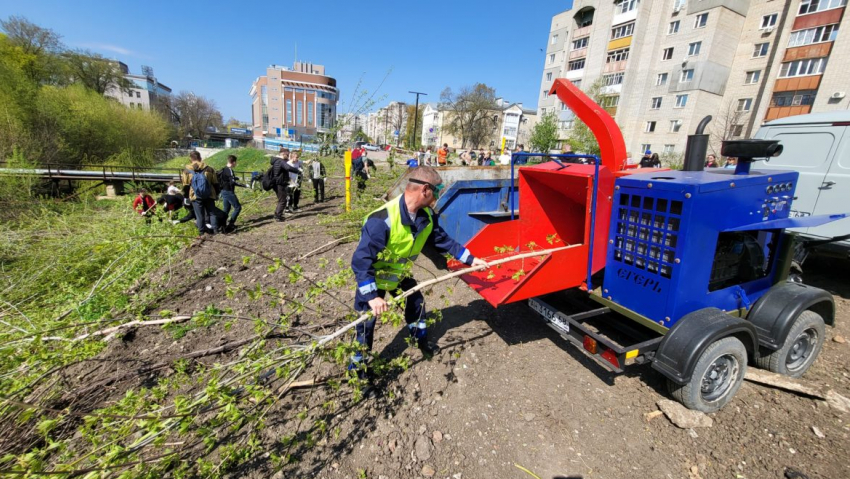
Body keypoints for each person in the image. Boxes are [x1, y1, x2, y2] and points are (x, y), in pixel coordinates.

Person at [350, 166, 489, 374]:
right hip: (374, 278)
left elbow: (444, 241)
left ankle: (419, 339)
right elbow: (361, 260)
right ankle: (357, 369)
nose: (438, 195)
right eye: (438, 189)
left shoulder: (427, 217)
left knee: (417, 305)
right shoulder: (382, 220)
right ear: (425, 189)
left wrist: (471, 259)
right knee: (365, 323)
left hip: (399, 276)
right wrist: (371, 296)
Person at [180, 151, 225, 235]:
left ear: (191, 159)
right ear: (200, 158)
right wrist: (217, 194)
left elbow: (185, 186)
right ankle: (215, 230)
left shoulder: (187, 170)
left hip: (195, 195)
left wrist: (186, 197)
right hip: (209, 194)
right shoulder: (209, 169)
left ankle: (201, 233)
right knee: (212, 213)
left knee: (199, 215)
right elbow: (215, 183)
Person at [218, 155, 248, 232]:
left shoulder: (224, 169)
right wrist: (244, 185)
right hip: (228, 192)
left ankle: (222, 226)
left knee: (226, 210)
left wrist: (235, 178)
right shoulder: (230, 170)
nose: (236, 164)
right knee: (238, 207)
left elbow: (227, 179)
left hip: (223, 191)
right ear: (233, 162)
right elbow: (232, 182)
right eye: (236, 162)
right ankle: (231, 224)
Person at [272, 148, 301, 222]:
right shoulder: (281, 161)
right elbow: (288, 167)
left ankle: (278, 214)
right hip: (280, 183)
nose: (288, 156)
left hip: (278, 182)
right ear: (283, 154)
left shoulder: (277, 161)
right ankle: (278, 216)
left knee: (281, 200)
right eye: (287, 155)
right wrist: (298, 171)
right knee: (283, 200)